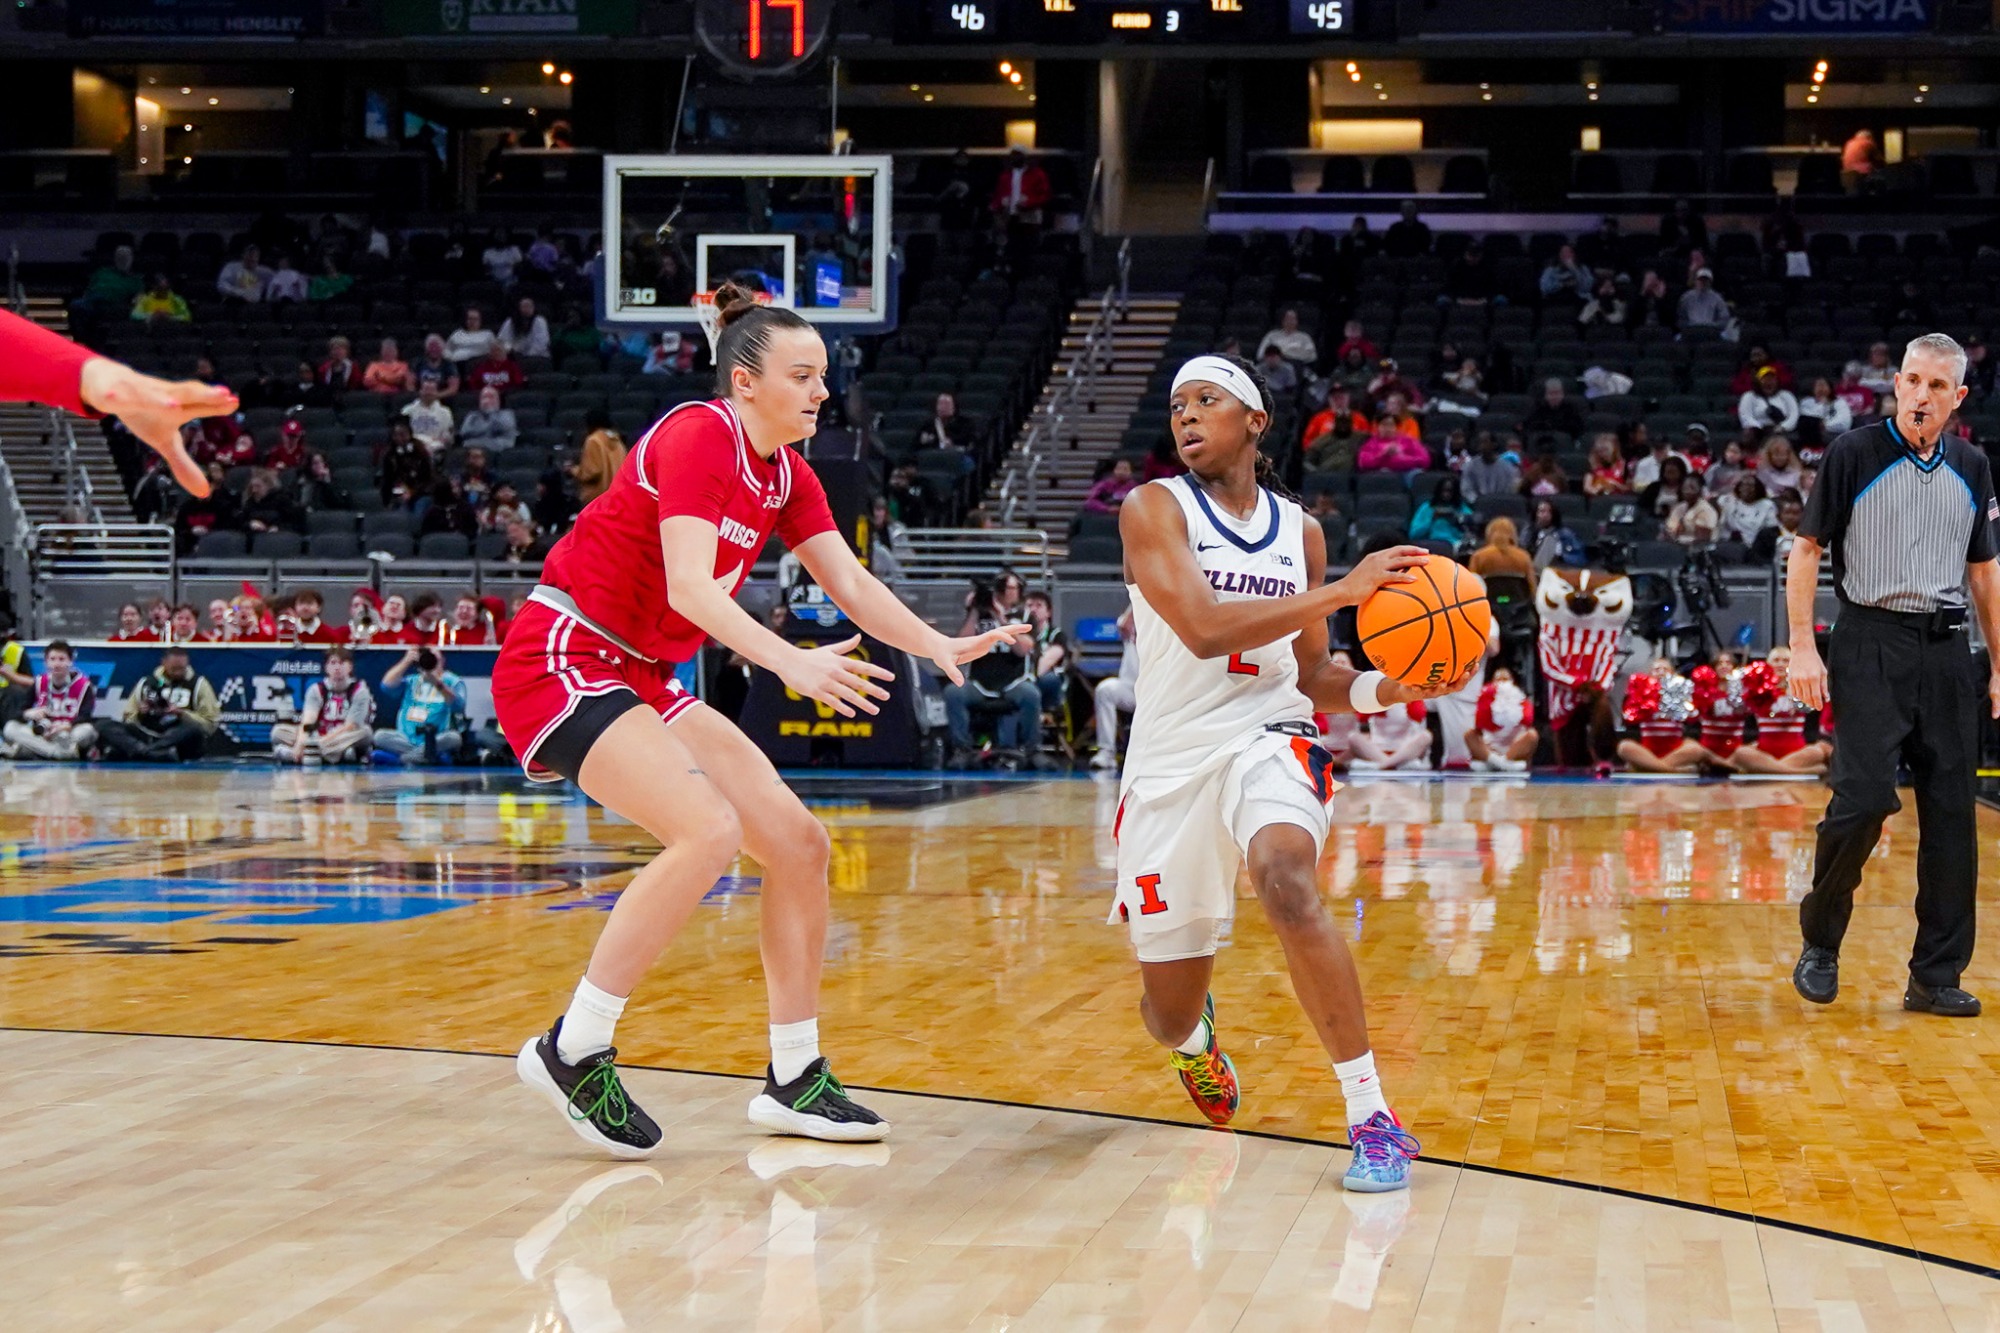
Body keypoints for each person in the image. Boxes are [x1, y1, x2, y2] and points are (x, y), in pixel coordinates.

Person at [489, 280, 1026, 1155]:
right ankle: (572, 1046)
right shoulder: (699, 434)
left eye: (823, 376)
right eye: (803, 375)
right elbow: (690, 588)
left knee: (799, 843)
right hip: (564, 653)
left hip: (641, 673)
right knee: (706, 830)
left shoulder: (786, 472)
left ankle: (794, 1073)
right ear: (746, 383)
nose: (821, 391)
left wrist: (941, 645)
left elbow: (850, 583)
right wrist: (790, 662)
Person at [1114, 350, 1470, 1190]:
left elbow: (1314, 675)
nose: (1187, 415)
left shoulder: (1297, 531)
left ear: (1254, 420)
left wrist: (1397, 683)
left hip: (1268, 732)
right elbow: (1203, 629)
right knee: (1164, 1015)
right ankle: (1196, 1037)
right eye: (1176, 406)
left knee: (1284, 875)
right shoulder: (1152, 507)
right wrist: (1343, 593)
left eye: (1207, 399)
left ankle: (1372, 1115)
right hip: (1168, 761)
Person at [1787, 332, 2000, 1017]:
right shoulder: (1852, 454)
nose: (1921, 395)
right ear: (1897, 383)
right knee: (1864, 798)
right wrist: (1800, 645)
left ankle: (1935, 976)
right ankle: (1821, 936)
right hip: (1869, 640)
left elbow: (1985, 574)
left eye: (1938, 386)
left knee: (1950, 817)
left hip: (1945, 650)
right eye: (1912, 380)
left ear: (1958, 398)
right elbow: (1806, 547)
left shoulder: (1972, 464)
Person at [95, 647, 220, 762]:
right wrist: (140, 713)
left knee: (193, 730)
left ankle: (146, 751)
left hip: (178, 736)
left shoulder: (199, 684)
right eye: (174, 669)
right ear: (164, 663)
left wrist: (182, 713)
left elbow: (210, 724)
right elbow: (128, 717)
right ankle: (149, 752)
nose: (177, 673)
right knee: (104, 725)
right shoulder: (146, 683)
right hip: (147, 733)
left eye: (181, 669)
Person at [1728, 645, 1831, 777]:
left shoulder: (1801, 688)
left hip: (1797, 751)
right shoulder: (1756, 691)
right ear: (1768, 664)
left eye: (1785, 660)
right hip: (1764, 751)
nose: (1780, 664)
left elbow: (1810, 707)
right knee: (1741, 753)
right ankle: (1796, 772)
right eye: (1776, 660)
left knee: (1820, 750)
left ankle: (1766, 769)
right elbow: (1739, 709)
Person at [271, 647, 375, 765]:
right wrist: (300, 743)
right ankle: (332, 754)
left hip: (341, 735)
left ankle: (299, 755)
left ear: (350, 667)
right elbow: (308, 721)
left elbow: (350, 726)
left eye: (341, 663)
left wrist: (319, 742)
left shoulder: (359, 691)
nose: (337, 667)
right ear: (326, 667)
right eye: (333, 663)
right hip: (318, 735)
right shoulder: (316, 690)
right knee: (278, 732)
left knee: (365, 733)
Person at [1, 641, 96, 761]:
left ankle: (30, 751)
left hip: (69, 731)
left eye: (62, 659)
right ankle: (60, 753)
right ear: (46, 662)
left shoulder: (83, 685)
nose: (56, 664)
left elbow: (86, 715)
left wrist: (67, 725)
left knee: (87, 731)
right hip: (43, 733)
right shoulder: (40, 682)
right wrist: (28, 713)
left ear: (70, 662)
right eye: (52, 659)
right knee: (10, 728)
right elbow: (19, 713)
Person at [374, 645, 469, 764]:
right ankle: (423, 756)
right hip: (406, 738)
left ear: (442, 660)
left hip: (436, 737)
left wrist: (437, 683)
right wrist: (406, 661)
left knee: (454, 738)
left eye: (433, 658)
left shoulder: (452, 681)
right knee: (379, 736)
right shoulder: (412, 680)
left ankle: (404, 759)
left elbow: (458, 706)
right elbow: (386, 686)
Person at [1617, 657, 1704, 773]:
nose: (1661, 672)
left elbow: (1693, 716)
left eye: (1665, 669)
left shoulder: (1682, 694)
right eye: (1657, 669)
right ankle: (1673, 770)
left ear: (1673, 674)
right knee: (1624, 747)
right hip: (1647, 751)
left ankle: (1648, 766)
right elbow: (1629, 718)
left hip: (1675, 751)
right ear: (1650, 674)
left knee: (1696, 749)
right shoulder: (1641, 696)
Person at [1091, 605, 1139, 771]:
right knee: (1105, 690)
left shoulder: (1168, 625)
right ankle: (1106, 753)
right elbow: (1123, 624)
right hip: (1131, 688)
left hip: (1159, 690)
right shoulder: (1132, 624)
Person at [1464, 667, 1537, 772]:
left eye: (1505, 680)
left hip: (1513, 749)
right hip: (1490, 749)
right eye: (1499, 680)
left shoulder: (1522, 701)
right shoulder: (1484, 700)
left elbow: (1527, 723)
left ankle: (1500, 762)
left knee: (1532, 735)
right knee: (1469, 734)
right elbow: (1478, 729)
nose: (1502, 683)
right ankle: (1498, 763)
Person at [572, 411, 626, 506]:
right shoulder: (618, 442)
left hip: (598, 500)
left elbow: (592, 472)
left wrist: (573, 470)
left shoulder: (593, 440)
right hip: (617, 497)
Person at [1716, 473, 1777, 549]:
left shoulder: (1767, 505)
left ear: (1758, 488)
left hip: (1754, 546)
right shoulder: (1729, 501)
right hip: (1728, 544)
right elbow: (1714, 504)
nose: (1746, 488)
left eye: (1750, 485)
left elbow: (1771, 530)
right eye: (1743, 485)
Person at [1408, 476, 1474, 546]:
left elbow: (1472, 533)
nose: (1446, 494)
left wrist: (1456, 521)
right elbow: (1413, 535)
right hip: (1430, 544)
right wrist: (1432, 519)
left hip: (1454, 544)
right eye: (1443, 491)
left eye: (1449, 491)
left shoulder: (1462, 509)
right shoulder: (1426, 508)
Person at [1525, 497, 1584, 571]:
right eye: (1542, 511)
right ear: (1535, 514)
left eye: (1549, 512)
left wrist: (1561, 556)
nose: (1545, 515)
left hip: (1558, 569)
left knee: (1549, 540)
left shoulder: (1565, 534)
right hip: (1532, 569)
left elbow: (1580, 558)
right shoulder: (1529, 532)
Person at [1739, 366, 1800, 435]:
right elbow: (1746, 417)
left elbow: (1794, 415)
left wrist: (1782, 427)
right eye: (1765, 379)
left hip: (1782, 431)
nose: (1768, 382)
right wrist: (1761, 428)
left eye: (1772, 379)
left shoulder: (1786, 395)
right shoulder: (1749, 396)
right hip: (1758, 433)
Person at [1461, 432, 1521, 501]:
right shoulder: (1470, 466)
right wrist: (1477, 501)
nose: (1482, 446)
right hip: (1477, 506)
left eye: (1485, 442)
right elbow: (1466, 489)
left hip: (1501, 505)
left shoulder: (1507, 468)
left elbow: (1511, 489)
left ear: (1494, 444)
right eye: (1480, 443)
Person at [1470, 516, 1535, 581]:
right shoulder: (1524, 557)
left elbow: (1471, 585)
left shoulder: (1478, 557)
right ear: (1513, 534)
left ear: (1489, 533)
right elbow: (1532, 587)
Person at [459, 385, 519, 453]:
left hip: (500, 447)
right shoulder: (472, 416)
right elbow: (464, 432)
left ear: (498, 400)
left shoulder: (507, 414)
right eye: (484, 397)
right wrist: (489, 428)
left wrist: (491, 413)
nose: (487, 400)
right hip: (475, 448)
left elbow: (505, 428)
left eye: (491, 397)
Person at [401, 379, 455, 453]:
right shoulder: (408, 410)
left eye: (432, 390)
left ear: (437, 392)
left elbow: (448, 434)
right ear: (420, 391)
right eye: (426, 389)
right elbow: (402, 431)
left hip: (435, 444)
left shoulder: (445, 412)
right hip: (413, 443)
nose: (429, 393)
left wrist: (441, 440)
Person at [1665, 474, 1719, 545]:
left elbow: (1702, 539)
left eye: (1692, 488)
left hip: (1699, 552)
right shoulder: (1679, 507)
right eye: (1685, 488)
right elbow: (1670, 530)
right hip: (1675, 548)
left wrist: (1678, 538)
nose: (1687, 491)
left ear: (1700, 490)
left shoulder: (1706, 510)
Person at [1840, 129, 1880, 194]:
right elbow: (1878, 158)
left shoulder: (1849, 143)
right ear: (1869, 137)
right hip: (1862, 174)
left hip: (1847, 173)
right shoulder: (1868, 143)